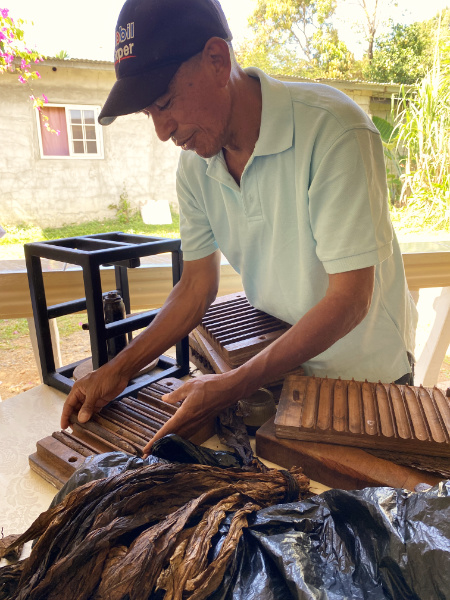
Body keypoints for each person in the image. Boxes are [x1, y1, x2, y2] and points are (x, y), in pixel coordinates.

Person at [61, 0, 417, 455]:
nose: (163, 131)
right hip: (282, 375)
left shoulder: (335, 131)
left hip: (367, 384)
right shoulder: (195, 168)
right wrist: (119, 368)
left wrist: (231, 384)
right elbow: (195, 286)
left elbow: (350, 299)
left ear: (217, 59)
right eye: (149, 112)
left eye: (165, 103)